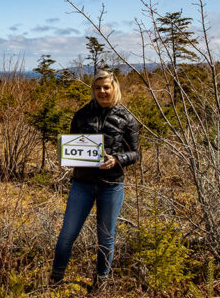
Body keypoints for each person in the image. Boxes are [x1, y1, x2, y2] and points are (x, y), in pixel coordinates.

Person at [50, 69, 140, 289]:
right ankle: (55, 280)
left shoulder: (127, 118)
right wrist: (67, 156)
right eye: (98, 87)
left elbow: (136, 154)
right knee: (67, 234)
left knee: (106, 238)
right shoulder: (81, 115)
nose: (102, 91)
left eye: (106, 87)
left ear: (114, 88)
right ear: (93, 89)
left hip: (112, 185)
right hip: (82, 184)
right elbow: (71, 145)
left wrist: (118, 159)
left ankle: (101, 283)